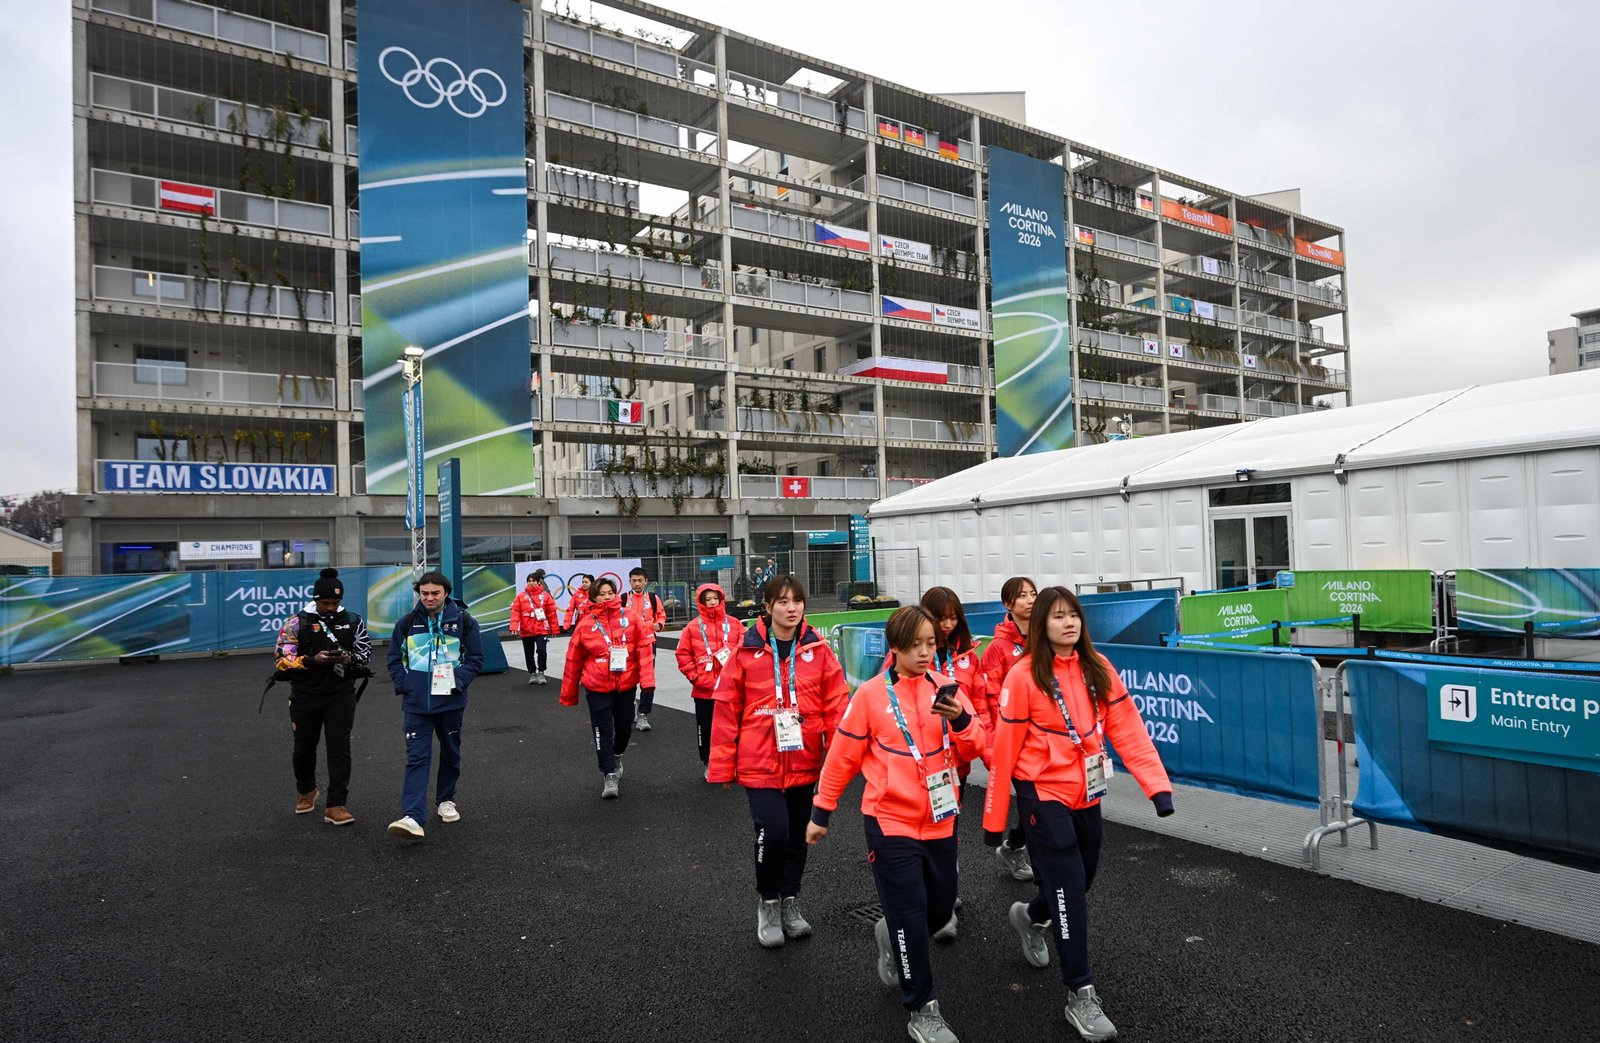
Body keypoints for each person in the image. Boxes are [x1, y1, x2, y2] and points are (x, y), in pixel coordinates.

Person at [982, 586, 1174, 1043]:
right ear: (1042, 624)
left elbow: (1127, 729)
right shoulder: (1023, 675)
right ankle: (1080, 994)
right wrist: (994, 820)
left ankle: (1032, 916)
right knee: (1069, 888)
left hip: (1087, 792)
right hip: (1040, 794)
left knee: (1080, 881)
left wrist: (1157, 787)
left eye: (1074, 616)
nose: (1069, 623)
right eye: (1058, 616)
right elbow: (1004, 749)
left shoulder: (1097, 667)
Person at [808, 606, 986, 1043]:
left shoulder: (947, 688)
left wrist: (960, 721)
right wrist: (820, 811)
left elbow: (983, 746)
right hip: (889, 822)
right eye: (916, 645)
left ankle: (893, 936)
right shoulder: (869, 696)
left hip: (941, 820)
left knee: (941, 911)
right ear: (895, 647)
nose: (926, 652)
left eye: (931, 643)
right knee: (909, 913)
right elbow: (842, 759)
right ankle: (922, 1008)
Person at [707, 574, 848, 949]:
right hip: (759, 762)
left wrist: (837, 762)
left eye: (797, 601)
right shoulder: (744, 652)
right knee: (774, 832)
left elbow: (837, 707)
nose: (792, 608)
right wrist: (722, 765)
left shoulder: (819, 651)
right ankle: (768, 902)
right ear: (767, 608)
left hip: (805, 759)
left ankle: (790, 900)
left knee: (799, 836)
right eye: (782, 601)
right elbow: (725, 712)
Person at [385, 571, 485, 840]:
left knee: (451, 753)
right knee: (417, 758)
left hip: (450, 703)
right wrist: (405, 684)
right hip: (416, 705)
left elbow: (475, 658)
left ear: (445, 593)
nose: (429, 598)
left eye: (434, 593)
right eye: (424, 593)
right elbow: (394, 659)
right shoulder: (406, 623)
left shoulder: (463, 621)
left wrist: (458, 681)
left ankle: (446, 799)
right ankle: (413, 817)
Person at [272, 568, 371, 827]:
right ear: (315, 599)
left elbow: (365, 651)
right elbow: (281, 659)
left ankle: (336, 804)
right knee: (303, 748)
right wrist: (312, 660)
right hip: (305, 694)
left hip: (340, 693)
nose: (330, 607)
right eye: (325, 603)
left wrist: (348, 658)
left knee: (340, 748)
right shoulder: (297, 621)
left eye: (335, 603)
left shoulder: (352, 620)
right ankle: (307, 789)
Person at [559, 577, 646, 799]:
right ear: (594, 597)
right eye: (602, 593)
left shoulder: (631, 617)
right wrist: (569, 693)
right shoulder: (586, 624)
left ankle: (617, 755)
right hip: (597, 686)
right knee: (602, 730)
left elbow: (643, 650)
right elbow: (573, 659)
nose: (607, 597)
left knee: (625, 727)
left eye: (610, 592)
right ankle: (609, 773)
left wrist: (648, 683)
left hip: (626, 684)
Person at [979, 575, 1039, 881]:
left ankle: (1013, 846)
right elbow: (990, 702)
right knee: (1038, 807)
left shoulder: (1046, 638)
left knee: (1044, 808)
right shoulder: (997, 649)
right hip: (1014, 744)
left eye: (1033, 594)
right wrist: (994, 747)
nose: (1030, 600)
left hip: (1047, 741)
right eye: (1022, 596)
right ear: (1008, 604)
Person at [674, 582, 744, 767]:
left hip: (731, 687)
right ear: (701, 602)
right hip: (704, 689)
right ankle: (708, 762)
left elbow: (746, 650)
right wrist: (695, 677)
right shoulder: (692, 627)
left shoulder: (734, 624)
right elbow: (682, 654)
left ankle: (731, 761)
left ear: (721, 599)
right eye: (708, 599)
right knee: (706, 728)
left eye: (715, 598)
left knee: (732, 727)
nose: (712, 602)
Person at [622, 566, 667, 731]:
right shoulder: (622, 599)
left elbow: (661, 615)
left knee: (647, 680)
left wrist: (659, 625)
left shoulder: (654, 598)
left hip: (648, 643)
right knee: (627, 678)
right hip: (627, 645)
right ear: (629, 581)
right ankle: (630, 709)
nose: (637, 583)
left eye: (640, 580)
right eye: (634, 580)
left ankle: (643, 715)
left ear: (646, 581)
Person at [509, 569, 559, 686]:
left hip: (541, 629)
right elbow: (515, 612)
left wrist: (555, 629)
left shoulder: (546, 596)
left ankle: (541, 672)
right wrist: (514, 627)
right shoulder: (521, 597)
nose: (531, 583)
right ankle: (532, 673)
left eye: (533, 581)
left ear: (538, 582)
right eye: (529, 581)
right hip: (526, 630)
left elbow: (552, 613)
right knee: (528, 652)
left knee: (542, 650)